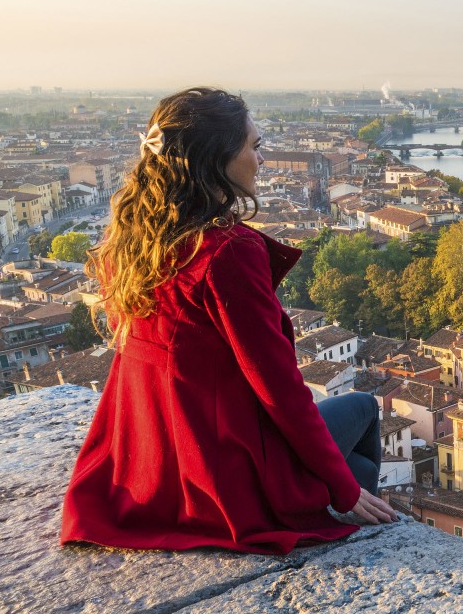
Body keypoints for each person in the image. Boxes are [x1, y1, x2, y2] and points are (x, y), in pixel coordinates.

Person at [60, 87, 396, 554]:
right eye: (254, 147)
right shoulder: (226, 253)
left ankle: (353, 498)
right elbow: (277, 387)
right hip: (220, 474)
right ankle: (364, 517)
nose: (261, 160)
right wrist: (342, 489)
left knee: (350, 474)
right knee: (362, 410)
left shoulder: (134, 241)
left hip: (149, 468)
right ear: (217, 159)